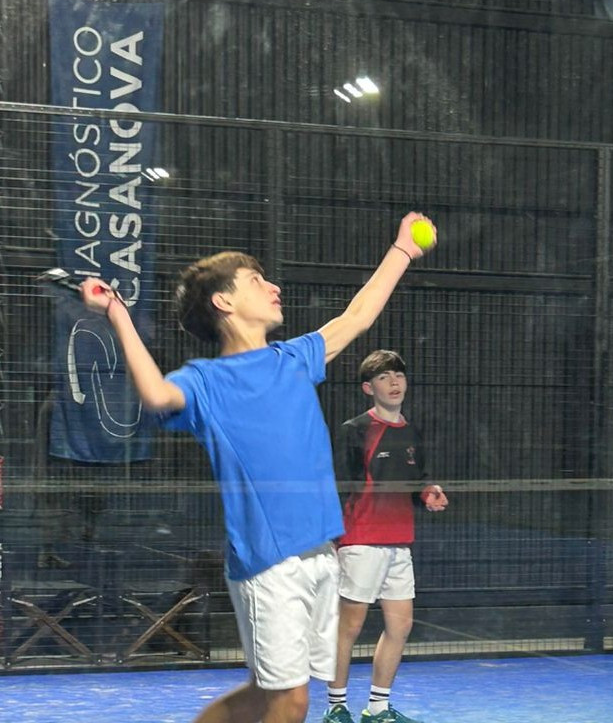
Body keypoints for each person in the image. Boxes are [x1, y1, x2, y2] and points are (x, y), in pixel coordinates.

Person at [79, 211, 436, 723]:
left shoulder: (295, 358)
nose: (273, 287)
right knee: (291, 701)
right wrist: (117, 313)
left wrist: (402, 249)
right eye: (256, 280)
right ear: (223, 302)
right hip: (268, 562)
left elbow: (358, 315)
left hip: (320, 554)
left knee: (265, 694)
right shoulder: (206, 381)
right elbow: (156, 394)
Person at [324, 350, 448, 723]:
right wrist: (332, 537)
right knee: (349, 627)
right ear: (368, 388)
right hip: (361, 541)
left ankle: (377, 708)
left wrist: (428, 493)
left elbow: (417, 480)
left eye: (398, 376)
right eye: (383, 377)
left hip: (400, 542)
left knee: (401, 626)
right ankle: (335, 708)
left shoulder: (412, 431)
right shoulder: (355, 429)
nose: (394, 383)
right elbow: (338, 484)